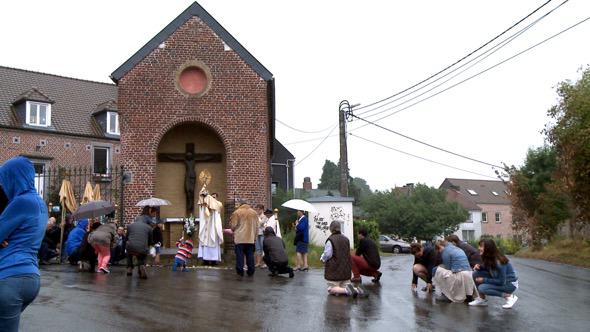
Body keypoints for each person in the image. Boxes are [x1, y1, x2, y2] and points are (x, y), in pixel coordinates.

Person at [0, 156, 47, 331]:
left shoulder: (20, 202)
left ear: (14, 177)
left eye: (5, 179)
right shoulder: (39, 203)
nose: (3, 185)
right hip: (31, 278)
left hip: (9, 278)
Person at [469, 238, 519, 309]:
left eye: (481, 246)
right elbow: (489, 268)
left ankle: (509, 296)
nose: (479, 248)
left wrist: (484, 280)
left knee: (482, 288)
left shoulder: (499, 262)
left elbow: (501, 281)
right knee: (476, 273)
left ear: (488, 249)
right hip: (500, 280)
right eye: (479, 246)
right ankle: (482, 299)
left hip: (509, 284)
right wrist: (479, 267)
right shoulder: (489, 257)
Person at [320, 221, 364, 298]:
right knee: (345, 285)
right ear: (339, 228)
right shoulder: (346, 239)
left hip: (334, 271)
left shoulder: (331, 240)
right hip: (346, 270)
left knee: (331, 289)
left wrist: (322, 259)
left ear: (331, 229)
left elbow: (327, 254)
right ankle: (356, 290)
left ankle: (348, 291)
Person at [229, 203, 258, 277]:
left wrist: (232, 228)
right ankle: (251, 270)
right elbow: (256, 226)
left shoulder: (237, 212)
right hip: (250, 237)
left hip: (240, 238)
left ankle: (240, 270)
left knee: (240, 255)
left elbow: (233, 225)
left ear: (240, 205)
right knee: (250, 255)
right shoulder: (254, 213)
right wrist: (255, 237)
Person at [197, 189, 223, 266]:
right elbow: (202, 204)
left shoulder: (219, 204)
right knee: (205, 244)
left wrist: (208, 197)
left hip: (213, 228)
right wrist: (203, 195)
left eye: (214, 197)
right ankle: (205, 259)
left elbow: (215, 205)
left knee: (213, 244)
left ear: (217, 198)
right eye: (212, 197)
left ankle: (214, 260)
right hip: (207, 227)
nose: (213, 198)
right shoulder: (207, 204)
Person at [126, 211, 153, 279]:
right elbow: (150, 241)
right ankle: (141, 265)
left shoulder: (130, 226)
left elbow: (127, 238)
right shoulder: (149, 228)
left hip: (130, 247)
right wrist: (148, 246)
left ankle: (129, 268)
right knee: (142, 254)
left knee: (129, 253)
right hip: (142, 247)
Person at [254, 204, 267, 268]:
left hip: (262, 234)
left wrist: (257, 222)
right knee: (257, 248)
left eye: (258, 209)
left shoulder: (264, 217)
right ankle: (258, 262)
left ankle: (264, 262)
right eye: (257, 209)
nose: (257, 210)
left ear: (262, 210)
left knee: (263, 248)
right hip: (256, 234)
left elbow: (260, 224)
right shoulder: (256, 216)